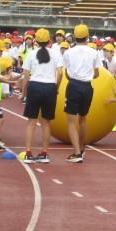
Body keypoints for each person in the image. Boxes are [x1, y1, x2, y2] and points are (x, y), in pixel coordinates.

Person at [19, 29, 62, 164]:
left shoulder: (31, 54)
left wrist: (23, 92)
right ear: (49, 41)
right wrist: (56, 87)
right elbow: (60, 73)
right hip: (49, 87)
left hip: (35, 86)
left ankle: (28, 153)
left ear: (36, 41)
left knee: (31, 122)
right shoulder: (56, 54)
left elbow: (26, 75)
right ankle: (44, 154)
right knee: (46, 122)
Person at [62, 24, 102, 163]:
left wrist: (74, 79)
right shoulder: (94, 52)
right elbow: (97, 73)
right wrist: (88, 77)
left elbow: (66, 73)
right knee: (83, 118)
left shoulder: (68, 52)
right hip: (87, 86)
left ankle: (77, 153)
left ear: (74, 37)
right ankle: (82, 147)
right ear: (87, 37)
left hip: (73, 85)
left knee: (71, 121)